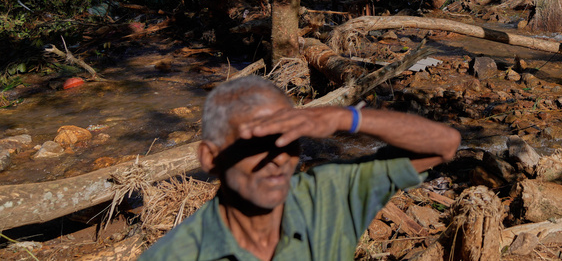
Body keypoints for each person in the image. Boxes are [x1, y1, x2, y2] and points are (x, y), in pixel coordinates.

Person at [139, 76, 461, 261]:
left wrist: (344, 118)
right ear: (210, 158)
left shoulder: (328, 197)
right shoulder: (177, 256)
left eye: (288, 141)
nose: (279, 157)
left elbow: (445, 144)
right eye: (257, 143)